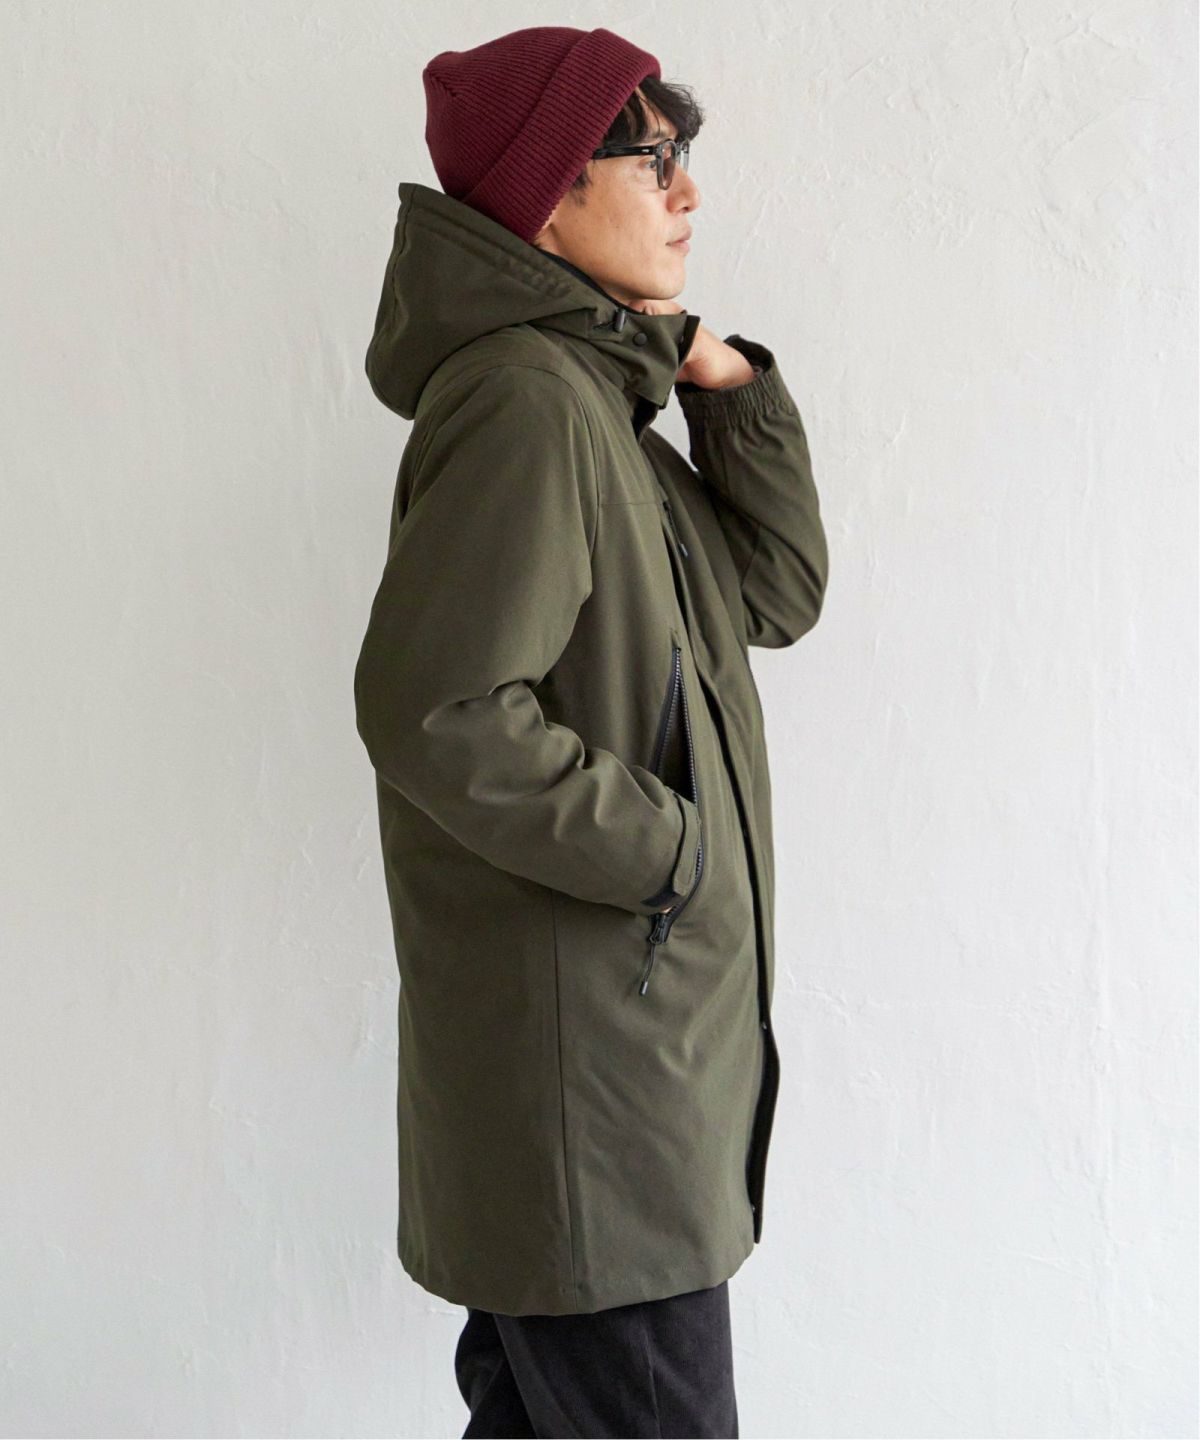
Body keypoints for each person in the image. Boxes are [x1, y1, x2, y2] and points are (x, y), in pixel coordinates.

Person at [354, 24, 829, 1439]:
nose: (688, 194)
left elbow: (776, 594)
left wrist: (728, 391)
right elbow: (437, 711)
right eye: (652, 162)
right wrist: (670, 853)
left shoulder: (597, 410)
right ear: (550, 197)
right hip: (598, 1094)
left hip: (612, 1072)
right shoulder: (528, 405)